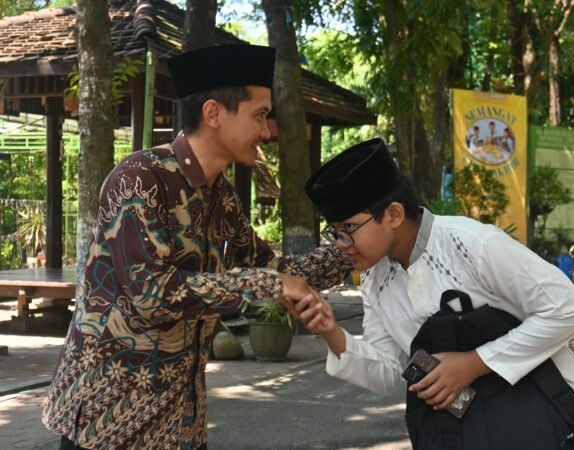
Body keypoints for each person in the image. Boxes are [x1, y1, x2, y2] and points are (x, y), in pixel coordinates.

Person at [42, 45, 350, 450]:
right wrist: (271, 284)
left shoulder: (222, 197)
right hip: (108, 425)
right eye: (259, 114)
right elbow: (153, 295)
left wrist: (351, 250)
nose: (267, 131)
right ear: (214, 114)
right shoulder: (140, 178)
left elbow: (274, 268)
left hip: (181, 424)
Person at [291, 137, 574, 448]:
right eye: (335, 232)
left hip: (544, 421)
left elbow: (568, 309)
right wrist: (330, 331)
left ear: (393, 214)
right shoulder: (374, 277)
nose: (341, 244)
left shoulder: (473, 244)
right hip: (466, 436)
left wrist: (474, 363)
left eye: (349, 229)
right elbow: (387, 373)